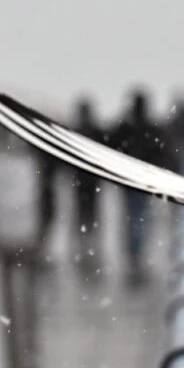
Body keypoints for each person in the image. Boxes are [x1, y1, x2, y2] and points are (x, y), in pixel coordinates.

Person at [109, 87, 163, 280]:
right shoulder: (149, 128)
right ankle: (136, 258)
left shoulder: (126, 127)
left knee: (132, 220)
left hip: (129, 182)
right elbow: (160, 153)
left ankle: (134, 258)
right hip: (143, 183)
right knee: (140, 220)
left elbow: (111, 145)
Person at [71, 97, 104, 255]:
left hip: (82, 180)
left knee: (83, 211)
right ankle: (89, 240)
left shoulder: (76, 131)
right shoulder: (94, 131)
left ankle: (85, 240)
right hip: (90, 180)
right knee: (90, 211)